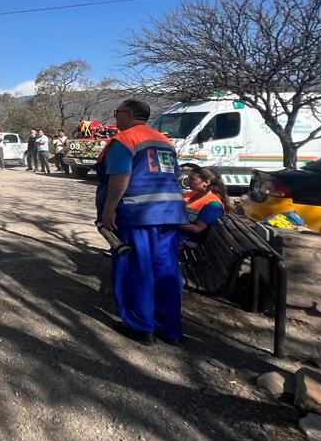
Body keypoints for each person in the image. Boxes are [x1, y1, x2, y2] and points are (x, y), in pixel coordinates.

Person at [96, 99, 187, 346]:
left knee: (136, 267)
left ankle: (140, 325)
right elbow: (173, 175)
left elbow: (120, 178)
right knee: (166, 269)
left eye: (117, 112)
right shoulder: (165, 141)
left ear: (129, 114)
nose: (115, 117)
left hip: (138, 214)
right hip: (170, 214)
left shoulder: (124, 140)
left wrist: (109, 209)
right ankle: (170, 329)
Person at [180, 168, 229, 238]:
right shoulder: (192, 194)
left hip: (185, 242)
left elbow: (198, 229)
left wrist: (172, 223)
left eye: (192, 179)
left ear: (206, 183)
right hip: (176, 236)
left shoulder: (213, 204)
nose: (188, 182)